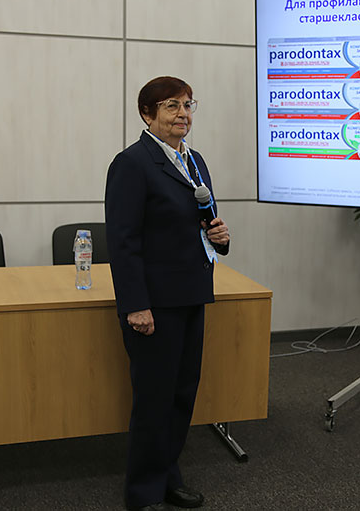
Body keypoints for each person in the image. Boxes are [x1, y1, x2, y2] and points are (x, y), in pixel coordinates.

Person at [104, 76, 230, 511]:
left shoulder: (195, 161)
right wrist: (136, 305)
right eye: (171, 106)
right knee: (154, 399)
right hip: (155, 304)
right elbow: (123, 241)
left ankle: (168, 476)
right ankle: (142, 492)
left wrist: (220, 237)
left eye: (188, 105)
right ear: (147, 114)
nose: (183, 114)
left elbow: (203, 222)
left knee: (181, 394)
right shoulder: (132, 164)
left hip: (192, 292)